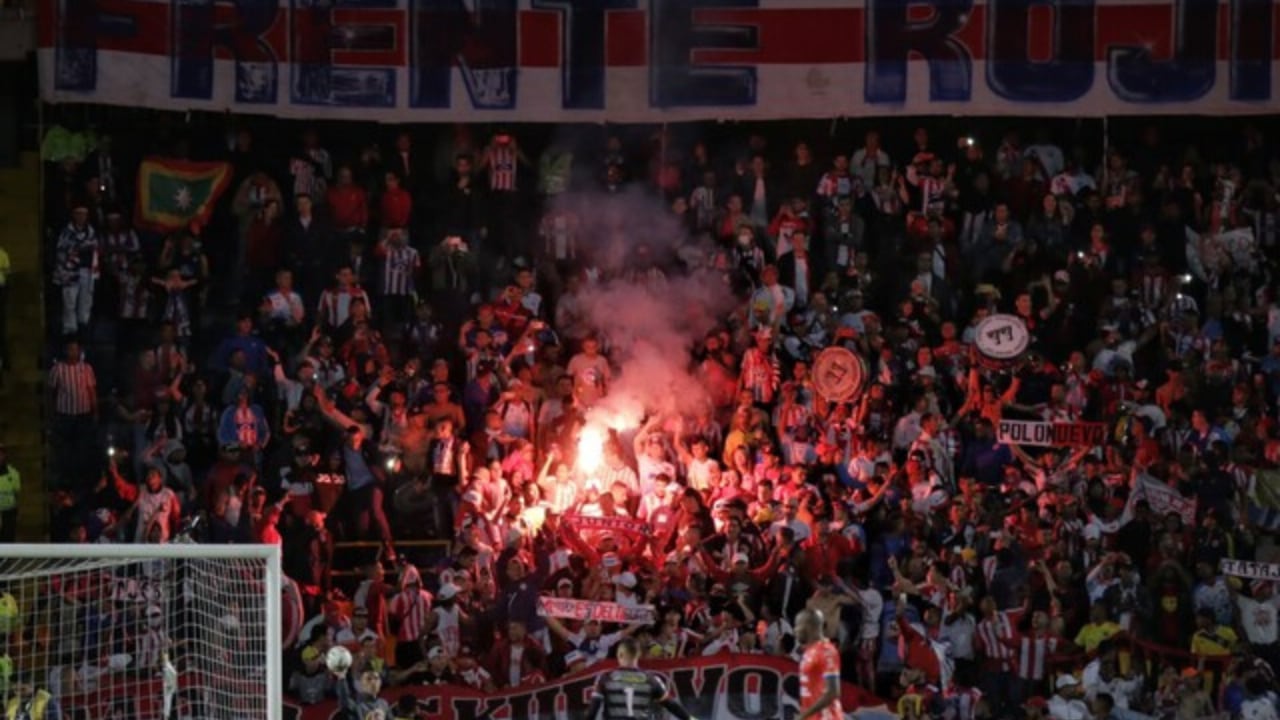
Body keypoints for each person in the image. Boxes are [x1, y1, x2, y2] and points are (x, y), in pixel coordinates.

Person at [584, 637, 696, 720]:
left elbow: (592, 713)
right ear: (638, 654)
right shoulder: (652, 680)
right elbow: (673, 706)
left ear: (620, 654)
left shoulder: (605, 678)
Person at [796, 608, 843, 720]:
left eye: (798, 625)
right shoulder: (809, 651)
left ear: (808, 627)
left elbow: (833, 692)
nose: (795, 630)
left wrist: (803, 715)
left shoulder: (826, 651)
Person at [0, 444, 20, 542]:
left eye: (1, 453)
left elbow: (17, 493)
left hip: (8, 514)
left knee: (8, 540)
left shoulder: (13, 473)